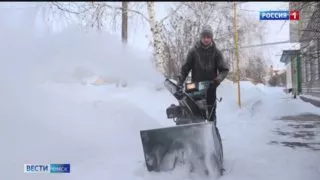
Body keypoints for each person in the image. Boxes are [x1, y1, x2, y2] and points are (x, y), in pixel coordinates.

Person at [177, 25, 229, 124]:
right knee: (190, 109)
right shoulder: (193, 52)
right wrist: (180, 82)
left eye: (208, 37)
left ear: (211, 38)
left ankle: (212, 132)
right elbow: (185, 69)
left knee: (211, 114)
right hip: (195, 86)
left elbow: (224, 70)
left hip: (210, 86)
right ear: (201, 37)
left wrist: (217, 80)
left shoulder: (216, 53)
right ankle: (190, 129)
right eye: (204, 37)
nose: (206, 39)